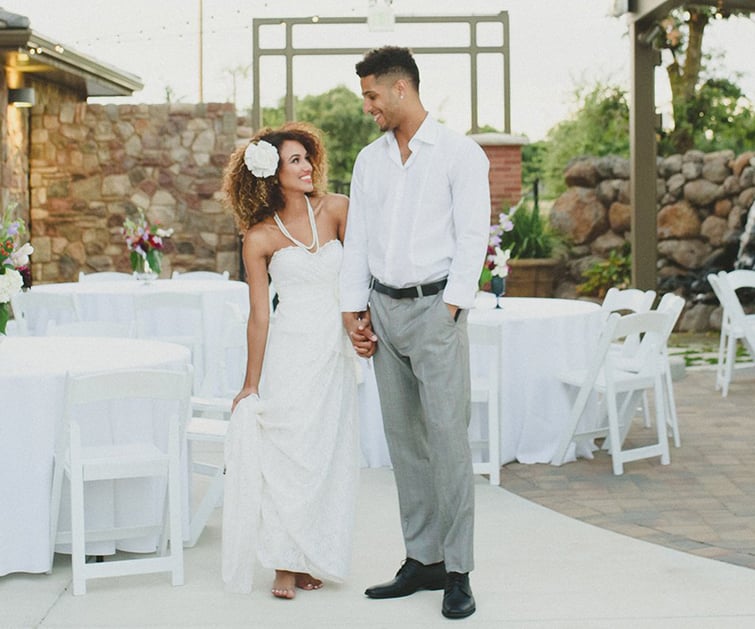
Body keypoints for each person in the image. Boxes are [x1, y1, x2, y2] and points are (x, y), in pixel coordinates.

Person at [340, 46, 491, 620]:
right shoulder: (368, 160)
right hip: (382, 311)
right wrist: (354, 311)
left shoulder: (460, 154)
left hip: (435, 312)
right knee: (404, 443)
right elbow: (359, 242)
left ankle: (458, 571)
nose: (368, 107)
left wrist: (450, 309)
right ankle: (421, 559)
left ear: (401, 89)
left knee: (448, 442)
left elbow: (473, 236)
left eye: (372, 96)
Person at [221, 121, 360, 600]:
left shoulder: (338, 209)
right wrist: (249, 383)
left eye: (306, 158)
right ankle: (283, 561)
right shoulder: (258, 237)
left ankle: (307, 554)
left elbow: (363, 275)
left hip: (335, 353)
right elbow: (259, 316)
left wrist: (362, 322)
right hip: (291, 351)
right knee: (287, 454)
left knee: (324, 455)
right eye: (294, 161)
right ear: (271, 175)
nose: (306, 168)